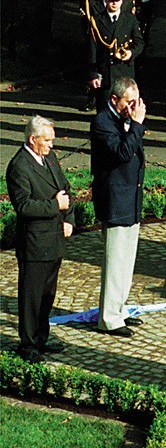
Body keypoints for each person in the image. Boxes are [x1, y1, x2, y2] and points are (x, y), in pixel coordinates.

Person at [6, 116, 74, 363]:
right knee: (31, 297)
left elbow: (66, 189)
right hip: (34, 243)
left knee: (47, 295)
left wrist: (69, 218)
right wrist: (55, 206)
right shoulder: (19, 167)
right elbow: (23, 206)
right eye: (46, 140)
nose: (51, 145)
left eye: (52, 140)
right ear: (32, 139)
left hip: (54, 238)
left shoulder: (49, 159)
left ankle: (42, 338)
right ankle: (28, 344)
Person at [91, 77, 146, 337]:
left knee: (127, 261)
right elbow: (122, 154)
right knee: (115, 262)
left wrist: (133, 124)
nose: (133, 106)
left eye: (136, 101)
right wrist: (135, 125)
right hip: (114, 200)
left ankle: (120, 309)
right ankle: (109, 318)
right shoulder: (102, 122)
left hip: (130, 198)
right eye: (128, 101)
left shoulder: (127, 120)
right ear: (114, 100)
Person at [87, 0, 144, 111]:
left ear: (122, 1)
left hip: (124, 70)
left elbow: (139, 42)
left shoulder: (129, 19)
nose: (114, 3)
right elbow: (92, 48)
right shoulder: (97, 20)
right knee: (105, 109)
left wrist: (131, 53)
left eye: (117, 0)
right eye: (111, 0)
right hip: (106, 71)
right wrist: (93, 74)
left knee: (126, 108)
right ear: (106, 0)